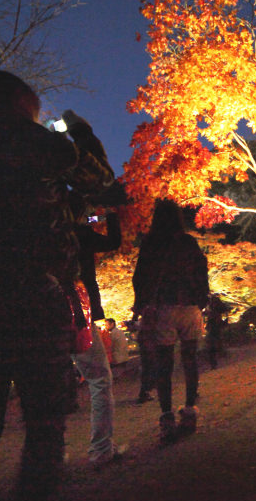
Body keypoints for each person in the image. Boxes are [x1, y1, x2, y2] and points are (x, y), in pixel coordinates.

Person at [0, 70, 115, 501]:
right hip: (31, 293)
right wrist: (80, 131)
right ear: (19, 103)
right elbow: (99, 179)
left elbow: (40, 200)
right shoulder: (31, 140)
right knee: (45, 423)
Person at [132, 199, 209, 445]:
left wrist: (141, 304)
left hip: (163, 307)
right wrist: (202, 299)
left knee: (164, 364)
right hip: (189, 306)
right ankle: (189, 411)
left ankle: (166, 418)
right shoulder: (188, 242)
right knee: (190, 359)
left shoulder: (151, 243)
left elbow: (140, 276)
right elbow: (201, 270)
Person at [70, 195, 126, 468]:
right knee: (100, 379)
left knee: (47, 384)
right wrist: (110, 214)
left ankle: (50, 453)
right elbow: (113, 240)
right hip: (79, 311)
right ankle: (101, 448)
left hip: (39, 311)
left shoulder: (37, 230)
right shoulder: (82, 232)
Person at [204, 293, 230, 369]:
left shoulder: (211, 305)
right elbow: (225, 310)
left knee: (212, 343)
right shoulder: (217, 305)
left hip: (213, 325)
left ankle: (214, 362)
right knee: (217, 341)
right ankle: (218, 357)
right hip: (216, 324)